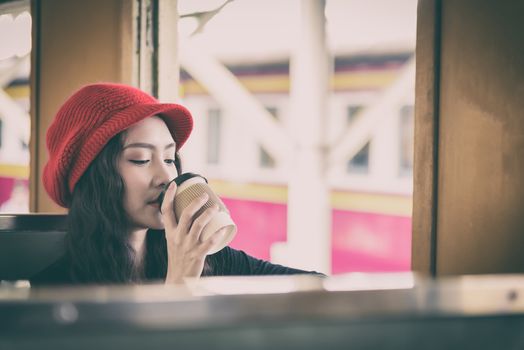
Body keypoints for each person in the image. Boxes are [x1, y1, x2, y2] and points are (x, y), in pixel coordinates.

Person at [31, 83, 321, 286]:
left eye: (170, 159)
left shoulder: (210, 258)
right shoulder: (55, 288)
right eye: (141, 160)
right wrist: (181, 280)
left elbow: (319, 290)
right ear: (95, 177)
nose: (166, 177)